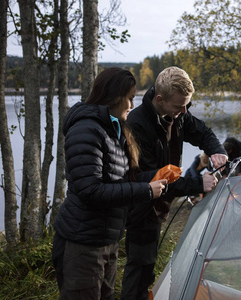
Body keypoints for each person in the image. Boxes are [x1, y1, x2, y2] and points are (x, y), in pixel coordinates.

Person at [52, 68, 167, 300]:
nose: (132, 105)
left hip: (106, 240)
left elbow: (120, 181)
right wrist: (146, 191)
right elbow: (90, 190)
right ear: (115, 96)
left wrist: (156, 176)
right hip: (82, 245)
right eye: (130, 97)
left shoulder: (112, 129)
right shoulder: (86, 130)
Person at [121, 66, 228, 300]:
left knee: (146, 269)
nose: (183, 111)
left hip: (160, 203)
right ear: (159, 99)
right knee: (139, 268)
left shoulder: (177, 113)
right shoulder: (138, 124)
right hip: (142, 205)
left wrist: (216, 151)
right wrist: (197, 184)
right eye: (179, 106)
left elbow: (203, 132)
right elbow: (151, 178)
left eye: (187, 106)